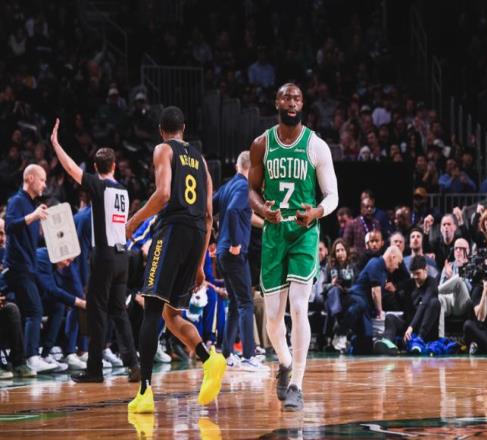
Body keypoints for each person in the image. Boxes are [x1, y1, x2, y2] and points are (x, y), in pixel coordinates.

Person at [125, 106, 225, 414]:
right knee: (171, 315)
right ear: (184, 128)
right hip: (196, 235)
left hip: (172, 231)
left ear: (161, 131)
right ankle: (210, 360)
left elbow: (164, 194)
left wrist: (134, 221)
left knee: (152, 309)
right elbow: (208, 216)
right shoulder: (202, 161)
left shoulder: (163, 150)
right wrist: (199, 263)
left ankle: (145, 392)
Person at [249, 83, 339, 411]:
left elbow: (333, 195)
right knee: (273, 319)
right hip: (274, 232)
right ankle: (285, 363)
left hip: (304, 231)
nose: (292, 102)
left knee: (299, 307)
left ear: (303, 104)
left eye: (297, 98)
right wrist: (263, 210)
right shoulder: (262, 144)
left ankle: (297, 384)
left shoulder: (316, 145)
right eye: (286, 97)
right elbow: (251, 191)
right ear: (277, 102)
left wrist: (316, 213)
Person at [50, 119, 140, 383]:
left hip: (104, 256)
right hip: (122, 256)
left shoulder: (99, 187)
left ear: (94, 168)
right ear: (114, 166)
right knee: (119, 312)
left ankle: (95, 370)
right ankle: (133, 363)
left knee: (97, 312)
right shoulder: (123, 190)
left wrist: (56, 144)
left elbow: (69, 168)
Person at [213, 150, 266, 371]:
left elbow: (213, 208)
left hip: (222, 253)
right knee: (246, 302)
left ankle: (226, 353)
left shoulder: (228, 186)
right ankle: (248, 356)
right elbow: (234, 210)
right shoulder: (244, 187)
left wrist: (266, 223)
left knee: (235, 303)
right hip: (234, 253)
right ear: (250, 168)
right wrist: (235, 242)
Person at [4, 164, 58, 373]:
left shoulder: (31, 205)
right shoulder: (17, 201)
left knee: (31, 310)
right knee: (35, 310)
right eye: (42, 180)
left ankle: (25, 357)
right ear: (31, 178)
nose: (45, 185)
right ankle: (31, 356)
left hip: (28, 266)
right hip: (18, 266)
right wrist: (33, 217)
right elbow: (9, 226)